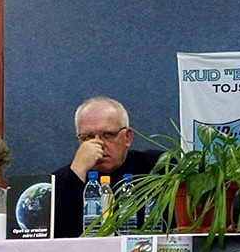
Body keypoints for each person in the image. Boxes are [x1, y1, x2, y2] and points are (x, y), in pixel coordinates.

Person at [53, 96, 162, 238]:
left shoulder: (159, 167)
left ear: (127, 137)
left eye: (108, 135)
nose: (98, 144)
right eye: (87, 137)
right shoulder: (58, 182)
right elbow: (55, 239)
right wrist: (77, 172)